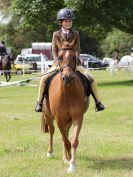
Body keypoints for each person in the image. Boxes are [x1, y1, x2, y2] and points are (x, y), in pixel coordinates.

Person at [35, 8, 105, 112]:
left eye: (70, 21)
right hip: (59, 63)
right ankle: (39, 103)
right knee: (44, 78)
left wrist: (75, 62)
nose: (68, 23)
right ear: (61, 22)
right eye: (66, 21)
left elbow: (77, 49)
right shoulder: (56, 34)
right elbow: (54, 50)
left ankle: (98, 102)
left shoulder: (76, 34)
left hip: (74, 63)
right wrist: (58, 62)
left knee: (91, 78)